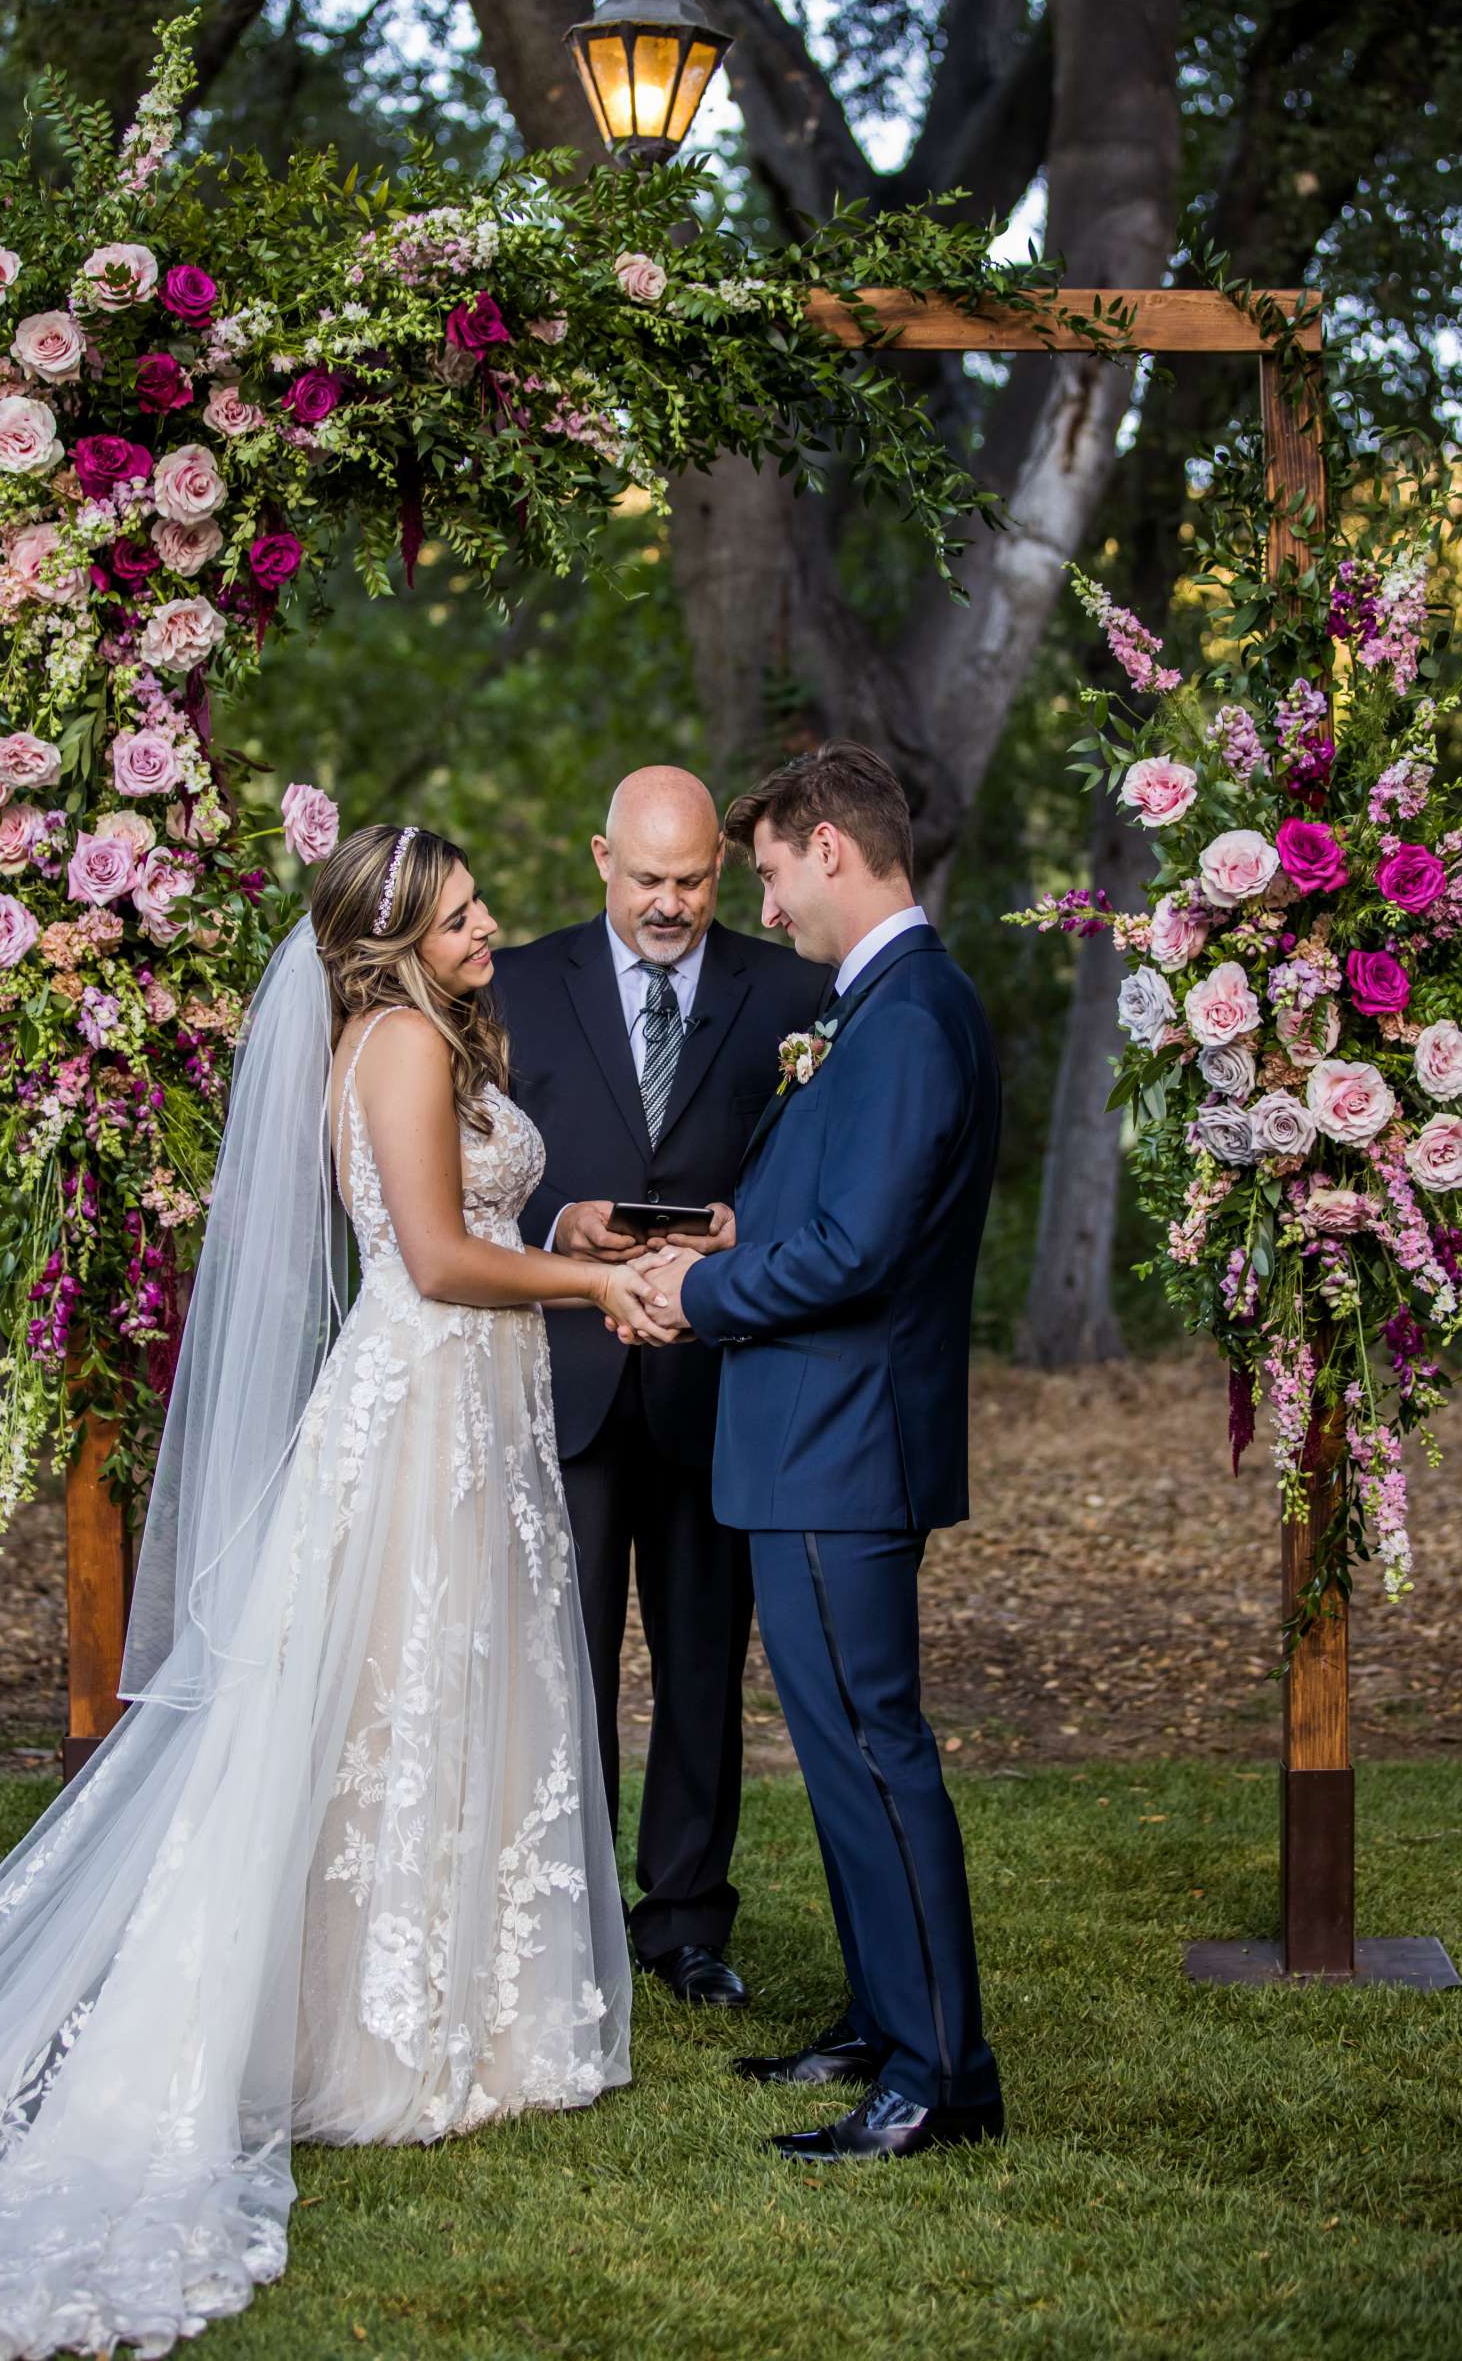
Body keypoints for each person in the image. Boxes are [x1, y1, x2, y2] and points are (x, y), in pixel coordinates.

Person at [0, 825, 644, 2360]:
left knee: (459, 1696)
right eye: (461, 915)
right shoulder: (391, 1041)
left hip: (474, 1410)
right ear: (393, 940)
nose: (490, 925)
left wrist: (566, 1232)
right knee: (396, 1698)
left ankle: (470, 2011)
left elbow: (475, 1221)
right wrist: (598, 1286)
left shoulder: (425, 1035)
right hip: (424, 1409)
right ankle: (377, 2041)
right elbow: (436, 1262)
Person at [624, 743, 1007, 2161]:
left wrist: (697, 1295)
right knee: (848, 1755)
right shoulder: (880, 1007)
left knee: (870, 1749)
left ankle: (940, 2077)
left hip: (843, 1444)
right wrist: (734, 1239)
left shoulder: (910, 1018)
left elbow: (863, 1251)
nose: (765, 906)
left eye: (773, 871)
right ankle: (880, 2018)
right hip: (809, 1441)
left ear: (829, 851)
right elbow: (834, 1211)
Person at [491, 768, 829, 2007]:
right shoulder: (517, 984)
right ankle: (563, 1913)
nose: (672, 903)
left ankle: (684, 1925)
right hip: (566, 1382)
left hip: (712, 1383)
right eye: (648, 880)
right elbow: (463, 1168)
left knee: (699, 1664)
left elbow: (821, 1170)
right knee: (557, 1663)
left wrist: (751, 1228)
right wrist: (558, 1220)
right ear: (599, 859)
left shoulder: (795, 994)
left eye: (692, 880)